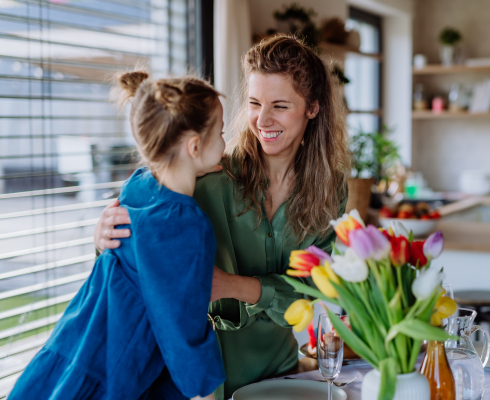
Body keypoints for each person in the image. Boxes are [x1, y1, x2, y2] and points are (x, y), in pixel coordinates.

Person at [94, 35, 351, 400]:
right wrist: (102, 238)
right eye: (254, 103)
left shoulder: (331, 190)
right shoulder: (207, 176)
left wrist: (231, 285)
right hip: (196, 385)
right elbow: (137, 260)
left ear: (312, 108)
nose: (263, 120)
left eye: (279, 105)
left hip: (278, 376)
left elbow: (312, 291)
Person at [9, 71, 227, 400]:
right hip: (116, 364)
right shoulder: (185, 225)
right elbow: (181, 327)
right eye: (221, 133)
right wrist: (206, 394)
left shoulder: (139, 185)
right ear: (194, 146)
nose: (226, 143)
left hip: (82, 338)